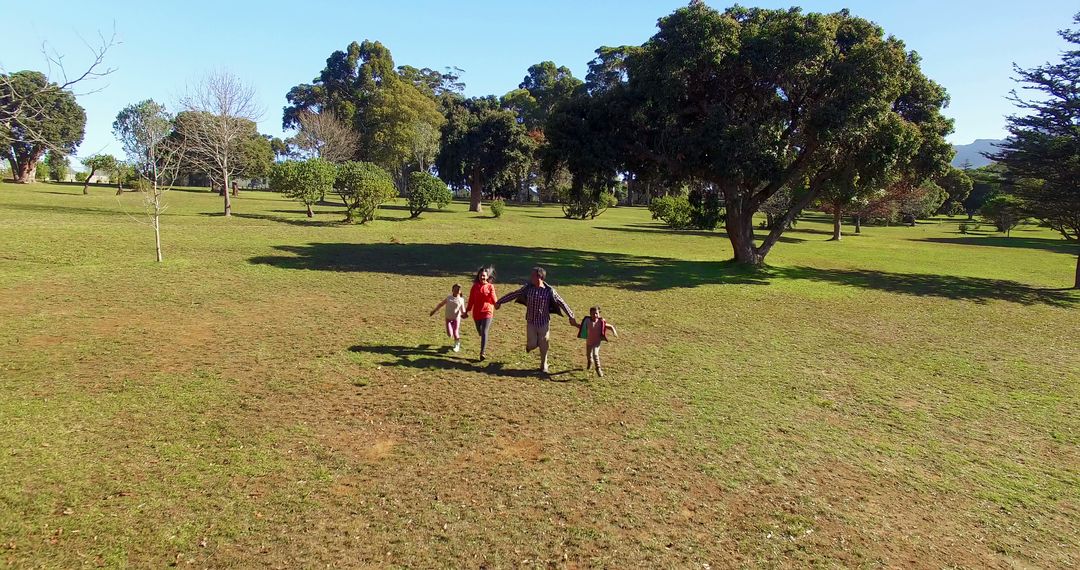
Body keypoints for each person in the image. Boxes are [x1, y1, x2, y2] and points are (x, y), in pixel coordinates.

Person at [495, 266, 576, 374]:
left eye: (533, 275)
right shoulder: (528, 288)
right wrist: (500, 301)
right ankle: (531, 346)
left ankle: (544, 364)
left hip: (543, 322)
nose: (530, 277)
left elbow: (561, 302)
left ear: (540, 277)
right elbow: (515, 294)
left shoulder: (549, 291)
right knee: (532, 344)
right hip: (531, 322)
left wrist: (571, 315)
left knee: (544, 342)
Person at [464, 266, 497, 361]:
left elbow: (494, 298)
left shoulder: (490, 286)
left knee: (484, 331)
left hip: (487, 311)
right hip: (477, 313)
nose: (482, 277)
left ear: (487, 277)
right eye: (480, 275)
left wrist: (496, 304)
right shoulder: (475, 287)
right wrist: (467, 311)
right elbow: (471, 300)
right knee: (480, 331)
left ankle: (482, 352)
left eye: (484, 276)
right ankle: (483, 338)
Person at [578, 306, 618, 377]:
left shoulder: (600, 322)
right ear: (590, 314)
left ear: (599, 314)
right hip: (589, 342)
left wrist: (614, 332)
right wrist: (574, 323)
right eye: (593, 314)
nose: (595, 315)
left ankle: (598, 369)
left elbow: (610, 326)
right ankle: (590, 363)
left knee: (595, 354)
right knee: (588, 355)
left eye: (596, 313)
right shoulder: (587, 321)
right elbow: (581, 327)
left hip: (597, 342)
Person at [430, 283, 467, 352]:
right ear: (452, 290)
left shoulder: (461, 300)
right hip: (448, 319)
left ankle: (457, 344)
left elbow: (463, 310)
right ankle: (454, 337)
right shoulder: (449, 298)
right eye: (455, 289)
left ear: (460, 291)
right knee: (450, 334)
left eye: (458, 289)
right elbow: (441, 304)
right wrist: (434, 311)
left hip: (456, 319)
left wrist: (464, 314)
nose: (457, 290)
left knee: (455, 332)